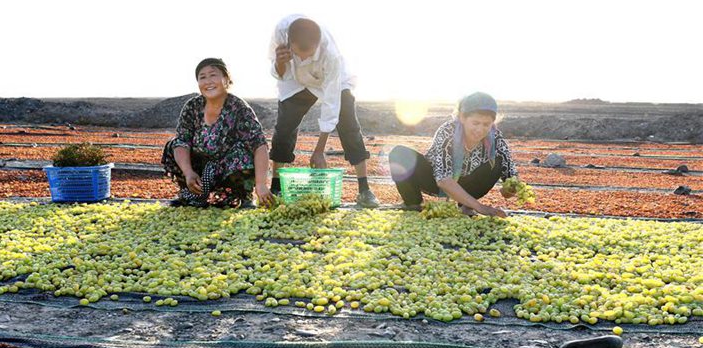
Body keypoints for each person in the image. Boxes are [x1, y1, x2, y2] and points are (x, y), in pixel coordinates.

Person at [268, 15, 379, 208]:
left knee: (349, 125)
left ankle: (364, 189)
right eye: (299, 54)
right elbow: (279, 72)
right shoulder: (280, 32)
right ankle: (276, 187)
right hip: (295, 81)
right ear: (289, 42)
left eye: (309, 55)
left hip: (329, 80)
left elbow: (331, 104)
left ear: (318, 44)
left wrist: (319, 150)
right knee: (285, 125)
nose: (304, 59)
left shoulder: (331, 55)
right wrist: (279, 63)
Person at [162, 58, 273, 208]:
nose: (208, 81)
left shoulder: (238, 108)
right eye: (202, 77)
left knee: (242, 151)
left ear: (226, 80)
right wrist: (188, 172)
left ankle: (239, 197)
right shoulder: (192, 106)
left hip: (226, 169)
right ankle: (192, 193)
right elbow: (182, 141)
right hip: (199, 170)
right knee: (174, 145)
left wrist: (261, 184)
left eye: (213, 75)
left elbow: (259, 146)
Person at [388, 92, 517, 217]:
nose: (480, 129)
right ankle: (413, 204)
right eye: (475, 123)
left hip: (470, 186)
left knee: (499, 161)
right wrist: (480, 207)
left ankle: (466, 205)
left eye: (486, 124)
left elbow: (510, 176)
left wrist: (509, 189)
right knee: (399, 154)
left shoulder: (495, 137)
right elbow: (443, 180)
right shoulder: (447, 131)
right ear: (462, 118)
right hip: (434, 180)